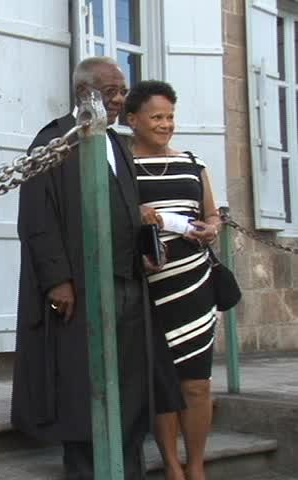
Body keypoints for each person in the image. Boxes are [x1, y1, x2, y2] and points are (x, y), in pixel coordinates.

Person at [10, 57, 184, 480]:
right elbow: (37, 218)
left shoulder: (118, 144)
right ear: (84, 93)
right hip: (81, 290)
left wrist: (144, 247)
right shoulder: (52, 141)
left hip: (127, 287)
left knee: (130, 385)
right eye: (111, 92)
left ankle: (128, 469)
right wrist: (57, 281)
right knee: (83, 388)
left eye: (122, 91)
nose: (121, 99)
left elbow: (127, 207)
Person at [127, 80, 220, 480]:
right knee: (163, 380)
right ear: (133, 120)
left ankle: (196, 465)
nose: (166, 125)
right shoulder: (122, 168)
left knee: (197, 382)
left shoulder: (193, 163)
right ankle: (171, 466)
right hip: (151, 284)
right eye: (157, 117)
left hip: (195, 285)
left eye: (170, 117)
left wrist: (212, 228)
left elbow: (213, 214)